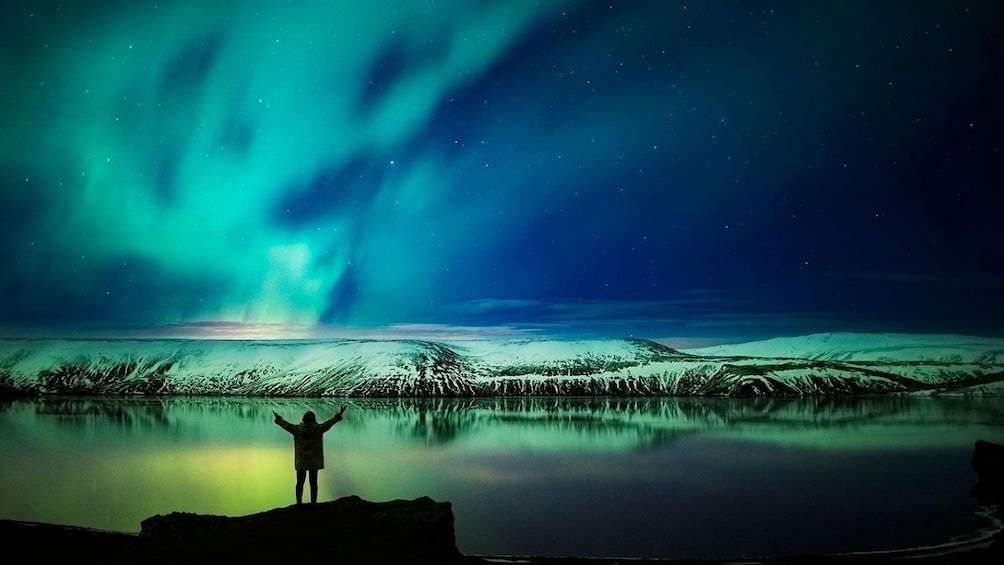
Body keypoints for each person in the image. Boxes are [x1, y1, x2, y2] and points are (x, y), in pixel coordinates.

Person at [273, 406, 347, 505]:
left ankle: (299, 503)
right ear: (314, 419)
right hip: (314, 460)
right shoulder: (319, 429)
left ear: (304, 419)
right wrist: (337, 416)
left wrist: (279, 419)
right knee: (314, 483)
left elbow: (285, 425)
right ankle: (313, 503)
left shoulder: (296, 429)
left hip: (301, 460)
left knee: (300, 482)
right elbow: (329, 424)